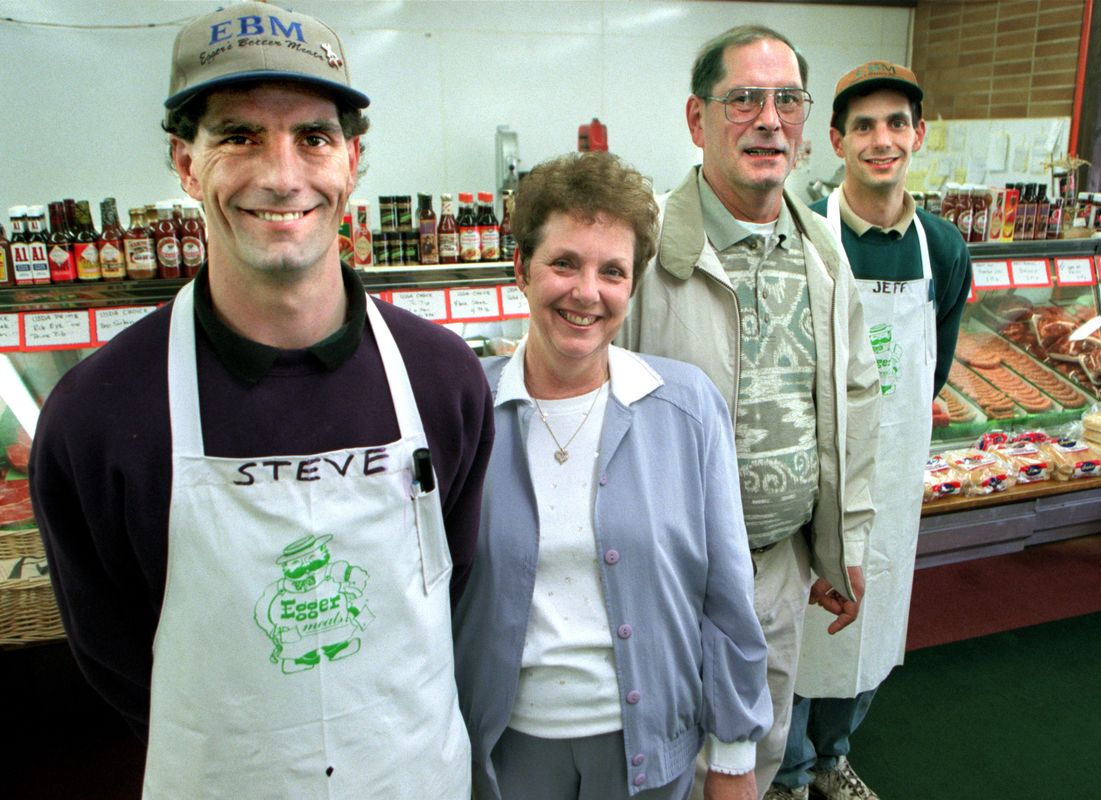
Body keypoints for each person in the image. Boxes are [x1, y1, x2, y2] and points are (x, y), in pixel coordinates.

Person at [29, 4, 493, 798]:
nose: (283, 176)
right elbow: (116, 661)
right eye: (239, 135)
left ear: (352, 159)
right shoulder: (97, 415)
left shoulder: (443, 379)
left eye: (312, 136)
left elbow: (457, 590)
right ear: (185, 163)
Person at [454, 151, 771, 800]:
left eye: (613, 272)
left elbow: (726, 591)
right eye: (564, 263)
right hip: (503, 754)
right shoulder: (465, 412)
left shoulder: (685, 408)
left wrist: (735, 754)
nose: (586, 292)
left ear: (633, 285)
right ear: (521, 268)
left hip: (649, 751)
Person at [618, 25, 882, 799]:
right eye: (743, 100)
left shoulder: (823, 252)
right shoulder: (646, 250)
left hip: (776, 568)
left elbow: (856, 396)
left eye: (788, 100)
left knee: (753, 757)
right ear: (698, 120)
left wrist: (843, 537)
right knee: (655, 763)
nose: (769, 120)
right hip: (662, 579)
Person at [767, 62, 972, 800]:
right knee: (797, 616)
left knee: (873, 613)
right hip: (810, 470)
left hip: (891, 475)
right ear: (835, 139)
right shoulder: (800, 234)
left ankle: (834, 757)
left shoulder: (943, 250)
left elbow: (936, 365)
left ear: (918, 135)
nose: (881, 140)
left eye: (896, 124)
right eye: (863, 126)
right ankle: (785, 772)